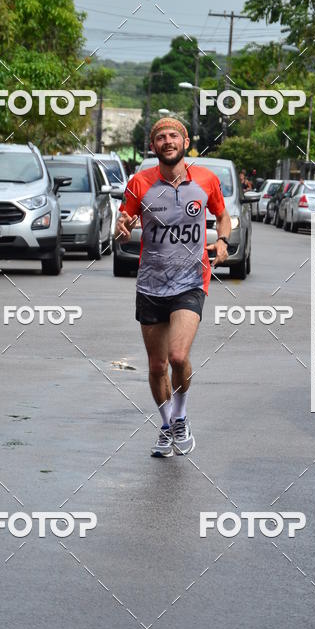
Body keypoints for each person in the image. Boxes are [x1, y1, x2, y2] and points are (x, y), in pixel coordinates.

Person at [116, 117, 231, 457]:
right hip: (151, 283)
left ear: (185, 141)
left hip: (191, 281)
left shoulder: (206, 180)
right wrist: (122, 225)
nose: (167, 141)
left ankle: (181, 416)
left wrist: (223, 241)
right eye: (161, 137)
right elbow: (122, 219)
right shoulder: (140, 183)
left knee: (178, 356)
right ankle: (167, 426)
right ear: (153, 146)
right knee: (156, 366)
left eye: (173, 136)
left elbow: (223, 215)